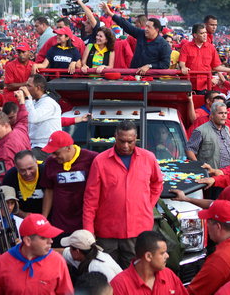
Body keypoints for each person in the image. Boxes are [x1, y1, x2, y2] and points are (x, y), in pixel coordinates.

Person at [83, 120, 163, 269]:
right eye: (122, 141)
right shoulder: (100, 161)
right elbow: (90, 199)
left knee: (135, 276)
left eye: (130, 142)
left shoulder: (148, 158)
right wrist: (89, 230)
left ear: (136, 138)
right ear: (115, 137)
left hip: (138, 231)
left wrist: (147, 205)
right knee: (107, 275)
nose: (126, 146)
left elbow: (157, 184)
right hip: (107, 232)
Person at [0, 213, 73, 295]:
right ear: (28, 241)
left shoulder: (58, 261)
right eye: (44, 238)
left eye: (50, 237)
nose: (50, 241)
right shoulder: (3, 262)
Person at [187, 200, 230, 295]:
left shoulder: (219, 260)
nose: (207, 225)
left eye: (208, 221)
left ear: (218, 227)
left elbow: (192, 292)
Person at [40, 132, 97, 236]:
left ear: (69, 148)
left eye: (56, 153)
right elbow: (49, 190)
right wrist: (44, 217)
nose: (53, 156)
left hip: (84, 223)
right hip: (59, 223)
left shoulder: (92, 158)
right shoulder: (50, 163)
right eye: (51, 153)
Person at [100, 2, 171, 73]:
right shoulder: (141, 34)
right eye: (146, 26)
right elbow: (127, 26)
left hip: (151, 78)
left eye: (148, 27)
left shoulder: (164, 45)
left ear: (157, 30)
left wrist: (150, 66)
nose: (145, 29)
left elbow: (165, 64)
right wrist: (110, 13)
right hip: (134, 74)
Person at [110, 230, 187, 295]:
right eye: (162, 253)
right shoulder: (119, 285)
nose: (167, 256)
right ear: (148, 256)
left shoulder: (168, 275)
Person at [179, 23, 230, 91]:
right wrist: (183, 67)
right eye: (202, 33)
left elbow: (216, 66)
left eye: (205, 33)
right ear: (195, 35)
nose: (205, 35)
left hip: (205, 85)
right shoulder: (186, 47)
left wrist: (229, 69)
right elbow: (182, 62)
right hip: (188, 84)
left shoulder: (211, 48)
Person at [0, 90, 30, 171]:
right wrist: (22, 101)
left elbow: (4, 178)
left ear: (6, 125)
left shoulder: (6, 150)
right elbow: (23, 118)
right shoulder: (20, 130)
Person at [21, 74, 61, 161]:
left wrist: (27, 97)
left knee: (21, 159)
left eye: (29, 86)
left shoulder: (49, 103)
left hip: (46, 147)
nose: (25, 88)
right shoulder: (35, 101)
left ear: (38, 88)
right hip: (35, 145)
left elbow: (32, 118)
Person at [186, 102, 230, 169]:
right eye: (220, 113)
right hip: (212, 175)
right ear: (212, 115)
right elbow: (189, 149)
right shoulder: (201, 131)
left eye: (225, 113)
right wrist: (199, 166)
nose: (224, 115)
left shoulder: (227, 129)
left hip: (228, 172)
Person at [2, 150, 46, 216]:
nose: (28, 173)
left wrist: (44, 216)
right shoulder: (10, 177)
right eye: (22, 170)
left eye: (30, 168)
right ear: (16, 167)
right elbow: (6, 203)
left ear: (36, 163)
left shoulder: (45, 172)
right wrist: (23, 214)